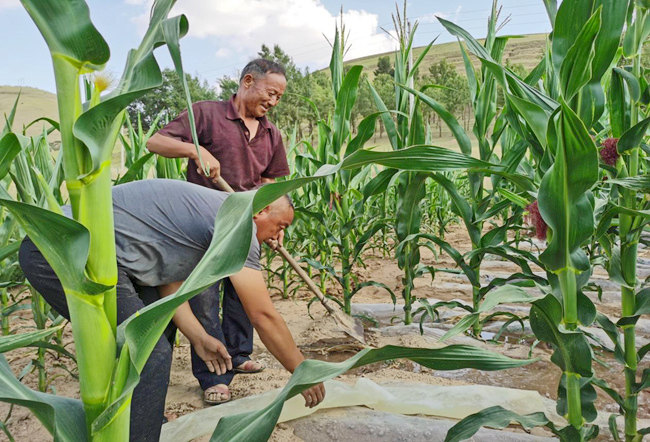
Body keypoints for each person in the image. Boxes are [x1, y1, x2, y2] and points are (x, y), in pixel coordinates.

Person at [18, 179, 325, 442]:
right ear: (261, 211)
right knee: (147, 350)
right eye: (280, 226)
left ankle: (137, 423)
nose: (277, 238)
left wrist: (199, 337)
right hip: (63, 248)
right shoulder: (238, 224)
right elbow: (263, 315)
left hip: (88, 250)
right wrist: (302, 372)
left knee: (153, 331)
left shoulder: (210, 213)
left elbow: (167, 281)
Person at [146, 58, 290, 404]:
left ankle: (239, 355)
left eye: (279, 98)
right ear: (248, 81)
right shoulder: (206, 114)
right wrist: (194, 149)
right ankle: (213, 375)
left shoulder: (272, 133)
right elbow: (155, 142)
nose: (273, 102)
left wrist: (274, 221)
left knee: (243, 296)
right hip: (202, 226)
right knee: (204, 300)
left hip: (247, 224)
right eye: (270, 93)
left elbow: (270, 181)